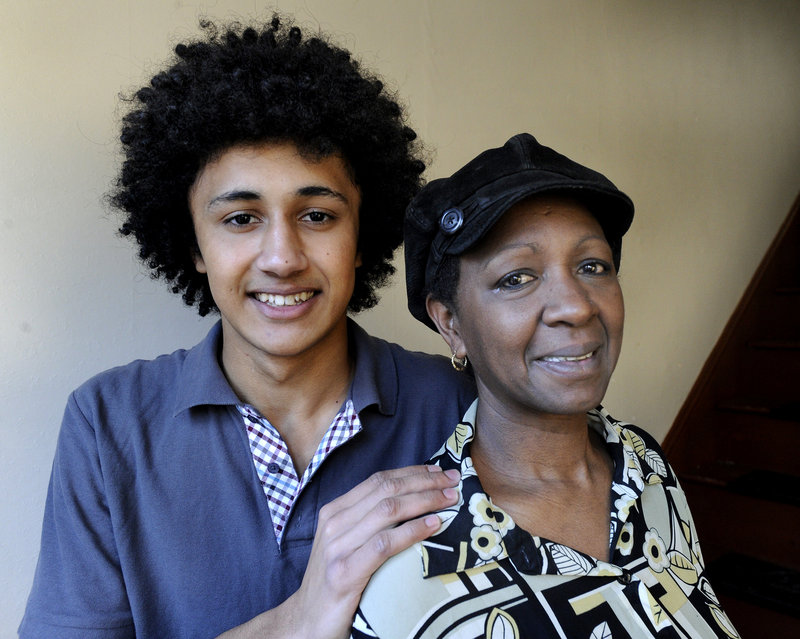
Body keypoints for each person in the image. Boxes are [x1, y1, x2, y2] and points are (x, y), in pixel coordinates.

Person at [19, 17, 476, 639]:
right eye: (240, 219)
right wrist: (300, 617)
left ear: (362, 238)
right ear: (195, 245)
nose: (282, 257)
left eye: (317, 215)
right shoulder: (108, 423)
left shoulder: (460, 404)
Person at [352, 133, 740, 638]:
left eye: (591, 266)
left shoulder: (643, 464)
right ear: (450, 323)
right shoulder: (415, 559)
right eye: (517, 277)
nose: (576, 306)